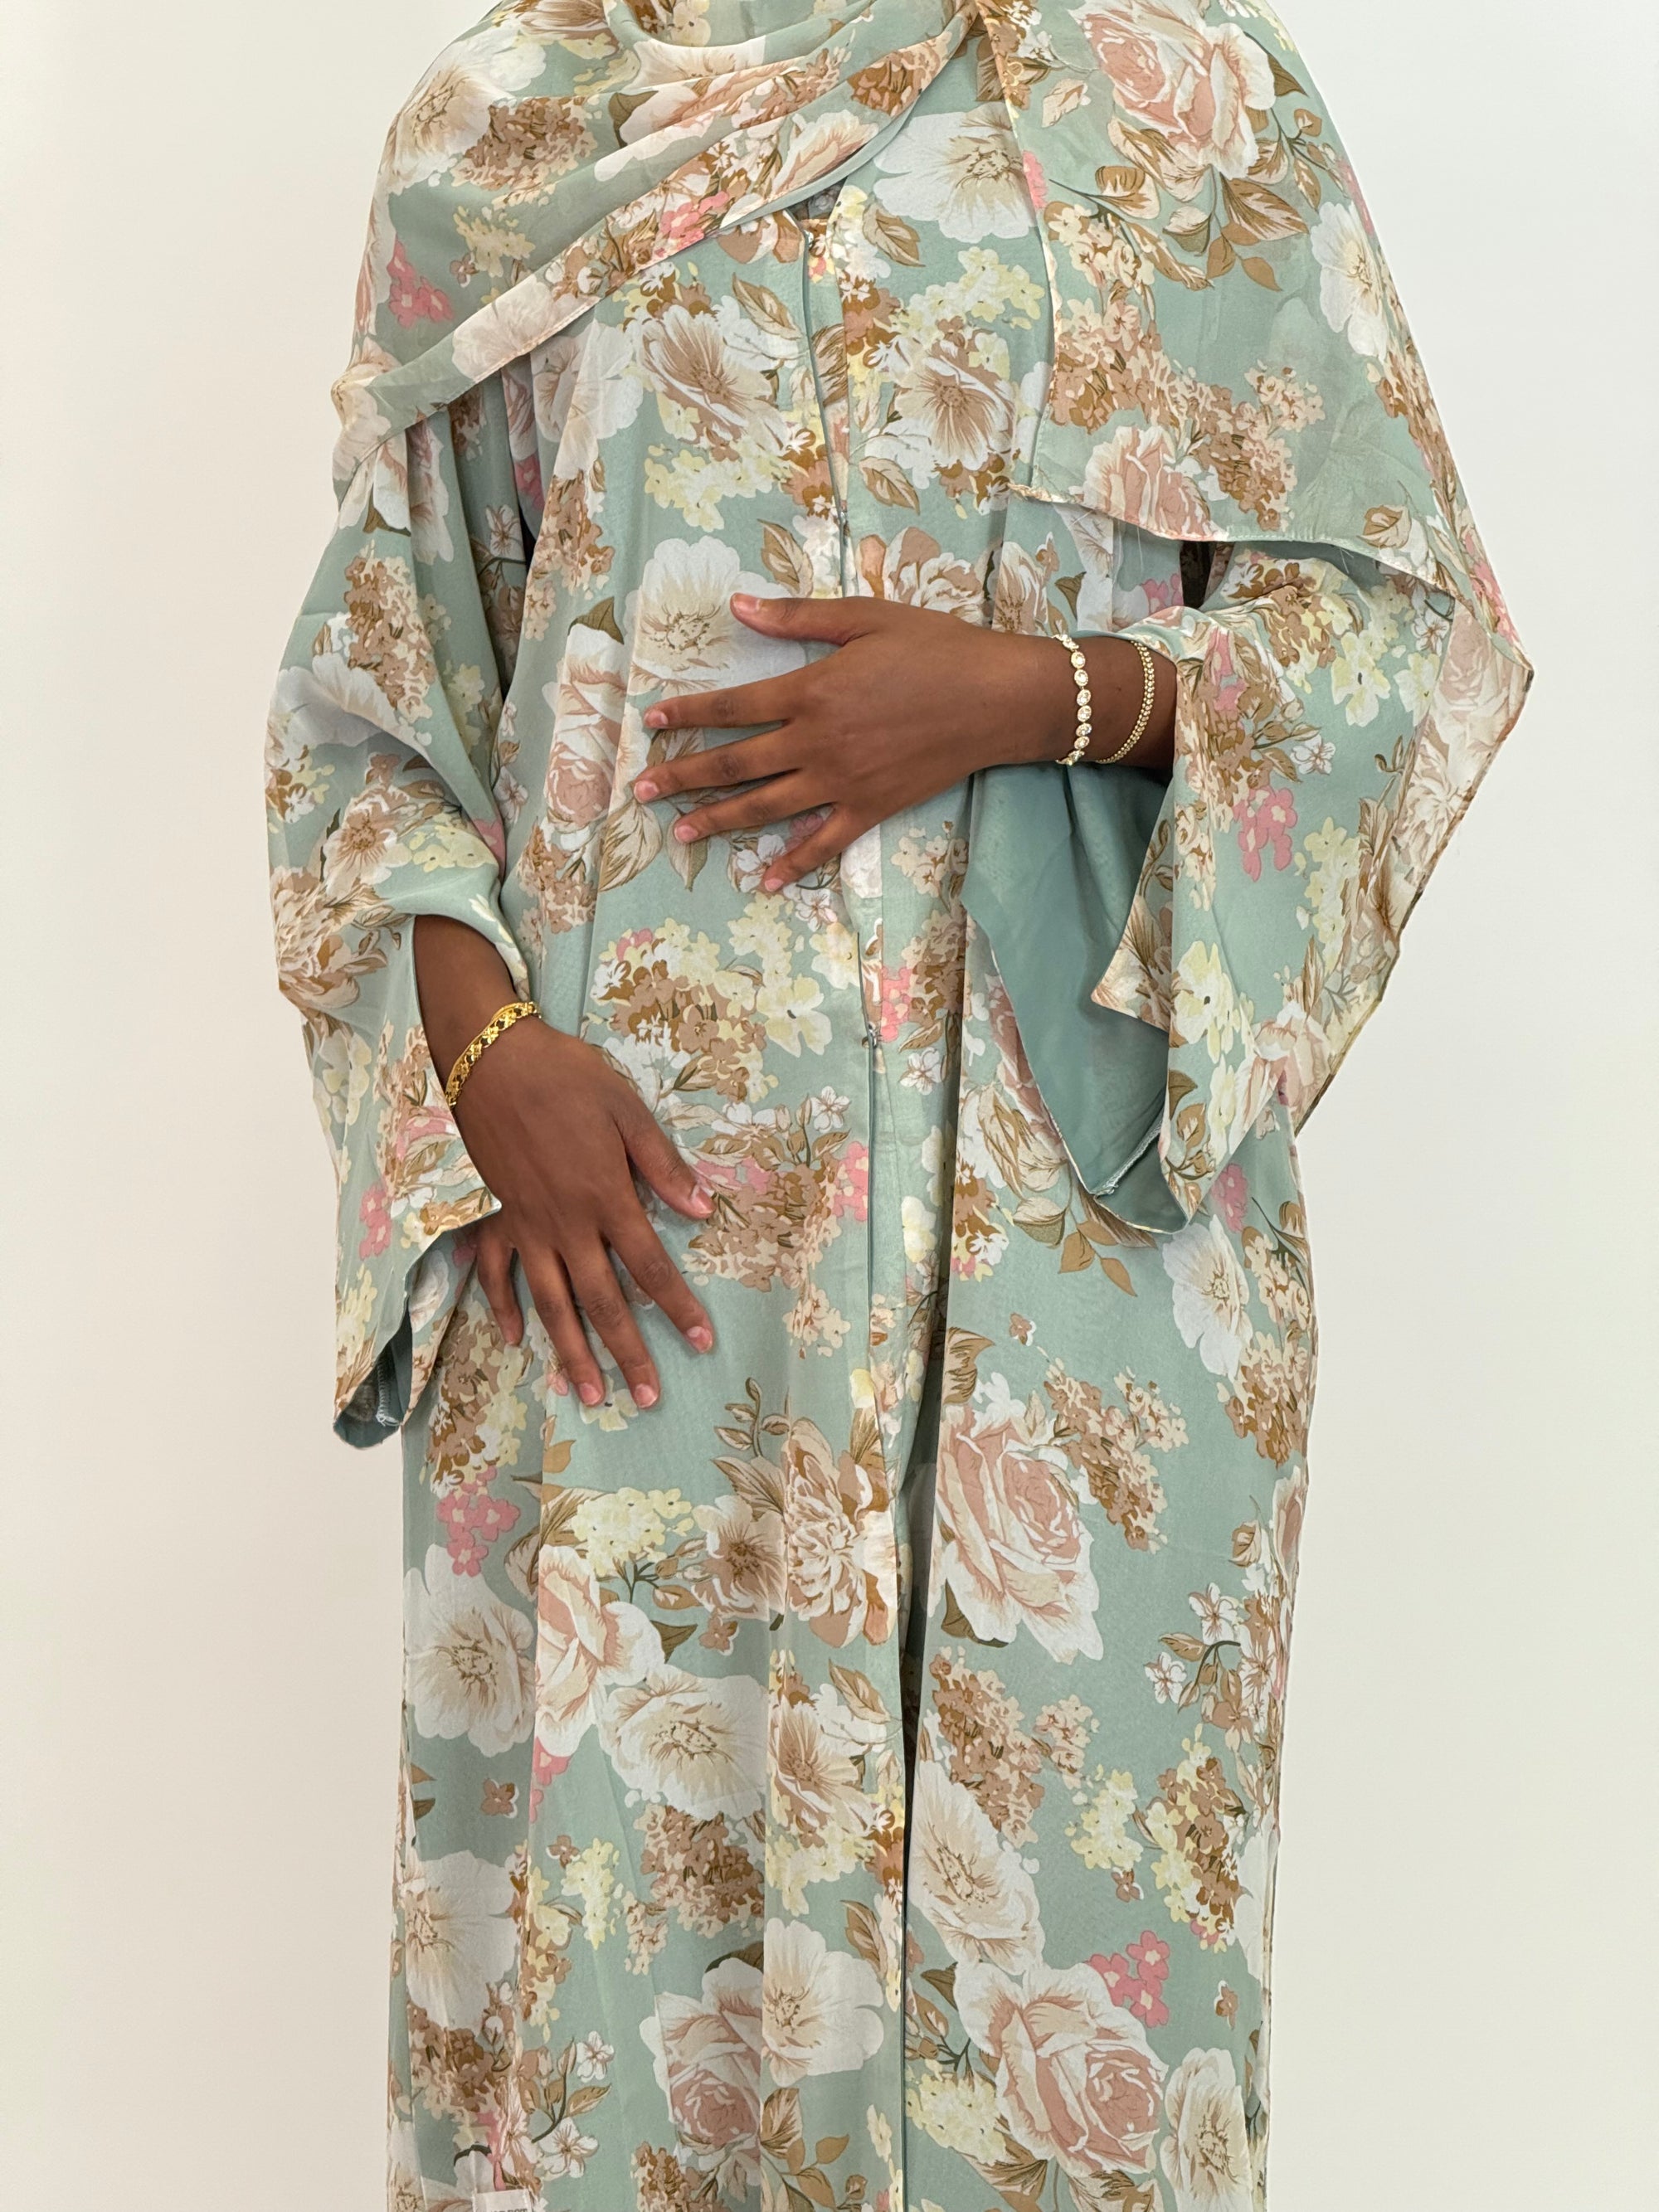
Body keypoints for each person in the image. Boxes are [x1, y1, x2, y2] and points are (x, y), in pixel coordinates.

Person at [266, 2, 1530, 2205]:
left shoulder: (1183, 97)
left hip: (1062, 1256)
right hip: (635, 1237)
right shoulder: (517, 125)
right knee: (631, 1954)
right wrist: (481, 1061)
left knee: (1058, 1977)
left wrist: (1036, 692)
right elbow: (378, 704)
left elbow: (1399, 645)